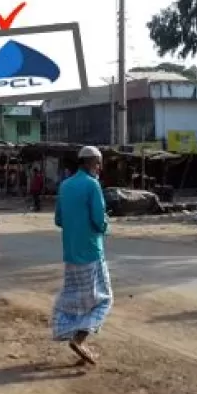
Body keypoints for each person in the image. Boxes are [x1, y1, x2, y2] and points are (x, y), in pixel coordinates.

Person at [52, 146, 112, 365]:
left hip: (70, 253)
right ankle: (78, 340)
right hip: (91, 252)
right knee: (104, 300)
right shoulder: (92, 185)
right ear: (88, 163)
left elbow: (58, 220)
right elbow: (99, 220)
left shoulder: (65, 185)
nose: (100, 168)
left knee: (78, 299)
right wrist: (106, 225)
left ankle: (77, 341)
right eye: (98, 163)